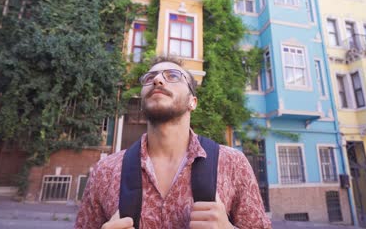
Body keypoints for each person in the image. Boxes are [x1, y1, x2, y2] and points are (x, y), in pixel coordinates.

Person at [75, 56, 271, 229]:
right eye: (150, 78)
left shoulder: (233, 164)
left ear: (192, 101)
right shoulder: (105, 171)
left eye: (173, 76)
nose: (157, 80)